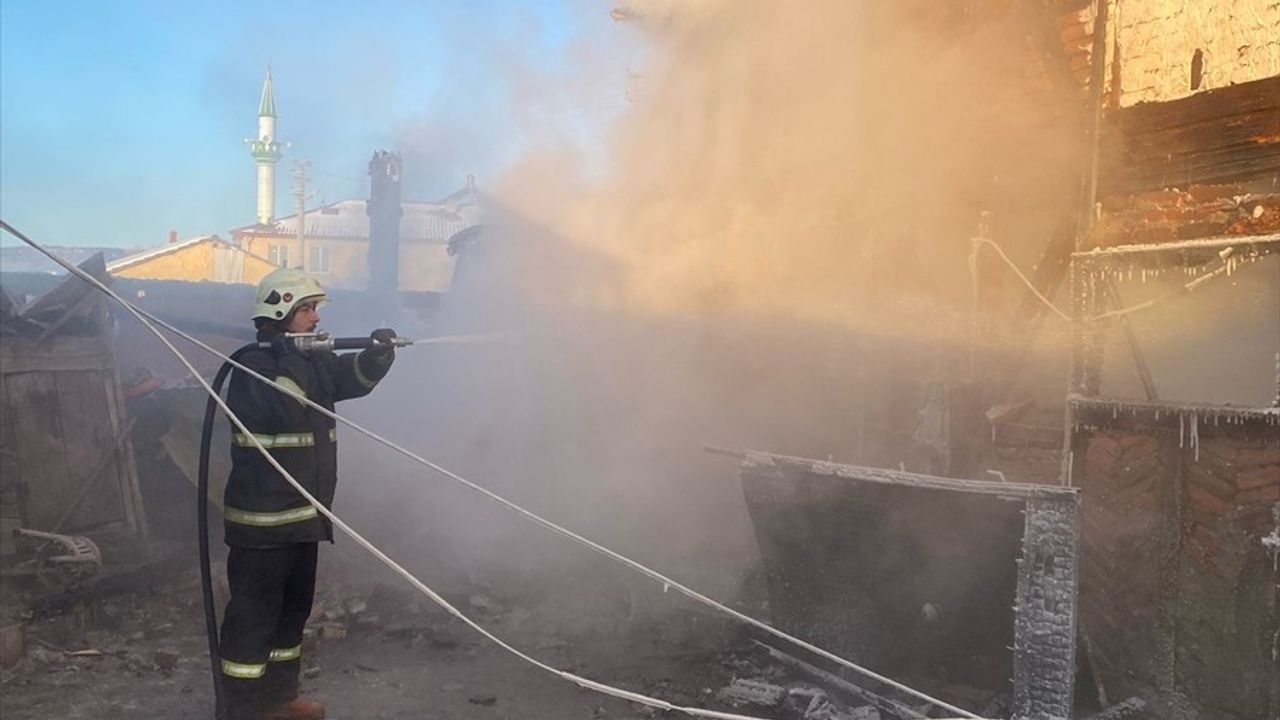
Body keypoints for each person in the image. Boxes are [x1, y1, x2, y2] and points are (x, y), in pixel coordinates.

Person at [218, 267, 397, 720]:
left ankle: (279, 700)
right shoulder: (251, 367)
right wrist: (291, 357)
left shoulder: (308, 362)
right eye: (307, 310)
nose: (317, 318)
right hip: (263, 526)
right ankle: (238, 711)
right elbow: (282, 407)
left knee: (290, 616)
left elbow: (349, 380)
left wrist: (376, 358)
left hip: (302, 517)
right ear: (280, 314)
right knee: (252, 622)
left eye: (315, 309)